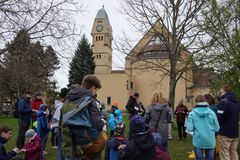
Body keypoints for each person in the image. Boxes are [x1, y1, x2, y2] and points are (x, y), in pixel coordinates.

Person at [60, 75, 106, 160]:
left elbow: (61, 122)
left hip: (69, 145)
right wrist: (103, 121)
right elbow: (98, 125)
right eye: (96, 90)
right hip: (87, 146)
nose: (95, 93)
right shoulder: (89, 100)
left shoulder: (68, 99)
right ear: (92, 88)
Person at [186, 95, 220, 160]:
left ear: (196, 102)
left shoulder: (192, 113)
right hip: (210, 140)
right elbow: (217, 128)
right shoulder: (212, 113)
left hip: (198, 140)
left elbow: (189, 128)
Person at [217, 85, 240, 160]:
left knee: (224, 155)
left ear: (224, 91)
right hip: (235, 133)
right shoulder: (236, 102)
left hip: (225, 133)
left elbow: (219, 118)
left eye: (220, 92)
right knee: (233, 153)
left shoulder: (223, 102)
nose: (220, 94)